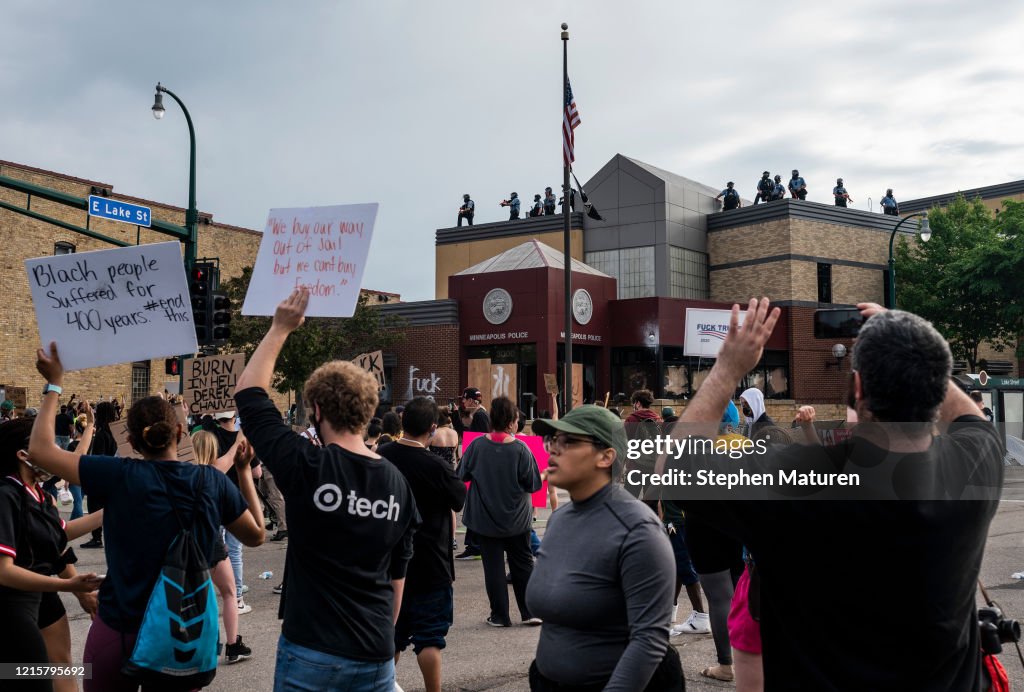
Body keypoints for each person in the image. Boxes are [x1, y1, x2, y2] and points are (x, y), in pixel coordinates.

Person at [661, 298, 1004, 690]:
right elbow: (970, 419)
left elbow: (675, 468)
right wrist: (912, 349)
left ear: (857, 388)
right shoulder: (974, 465)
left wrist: (727, 368)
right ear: (935, 383)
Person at [28, 346, 265, 692]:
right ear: (181, 434)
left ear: (132, 442)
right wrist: (243, 472)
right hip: (181, 634)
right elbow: (257, 534)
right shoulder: (210, 481)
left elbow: (40, 451)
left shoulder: (119, 474)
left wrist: (54, 384)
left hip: (118, 628)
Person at [233, 287, 419, 692]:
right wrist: (382, 644)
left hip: (313, 650)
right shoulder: (398, 484)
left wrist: (280, 328)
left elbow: (248, 395)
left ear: (316, 411)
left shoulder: (306, 464)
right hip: (375, 653)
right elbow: (397, 579)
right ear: (369, 412)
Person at [527, 406, 682, 690]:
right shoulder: (559, 520)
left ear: (606, 456)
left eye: (569, 441)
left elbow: (649, 640)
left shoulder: (638, 530)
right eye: (552, 440)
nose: (553, 450)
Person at [0, 418, 105, 692]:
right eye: (45, 445)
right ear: (23, 454)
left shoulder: (41, 496)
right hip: (13, 603)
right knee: (31, 677)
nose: (53, 453)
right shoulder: (6, 495)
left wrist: (112, 510)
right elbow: (4, 571)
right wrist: (68, 585)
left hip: (44, 596)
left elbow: (59, 535)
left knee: (63, 667)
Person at [377, 397, 466, 692]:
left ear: (403, 423)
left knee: (394, 633)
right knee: (430, 637)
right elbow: (458, 500)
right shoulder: (437, 466)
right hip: (431, 559)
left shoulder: (383, 454)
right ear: (432, 428)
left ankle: (379, 685)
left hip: (387, 559)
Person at [458, 396, 542, 627]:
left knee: (493, 567)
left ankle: (499, 615)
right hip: (518, 518)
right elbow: (533, 484)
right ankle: (529, 612)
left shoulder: (476, 445)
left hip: (485, 518)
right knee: (523, 562)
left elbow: (461, 476)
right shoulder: (521, 448)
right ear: (511, 421)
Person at [191, 430, 253, 664]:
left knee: (194, 596)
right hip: (211, 542)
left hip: (183, 545)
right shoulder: (213, 475)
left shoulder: (179, 475)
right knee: (229, 593)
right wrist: (239, 436)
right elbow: (228, 457)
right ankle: (232, 644)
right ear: (211, 451)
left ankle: (197, 644)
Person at [212, 409, 261, 615]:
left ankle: (222, 591)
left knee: (215, 550)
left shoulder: (210, 437)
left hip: (215, 499)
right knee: (235, 551)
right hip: (237, 501)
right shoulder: (243, 440)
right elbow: (257, 471)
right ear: (234, 417)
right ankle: (237, 596)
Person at [81, 402, 117, 549]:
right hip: (113, 474)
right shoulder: (115, 432)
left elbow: (98, 456)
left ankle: (96, 537)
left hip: (101, 475)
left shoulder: (102, 433)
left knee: (94, 506)